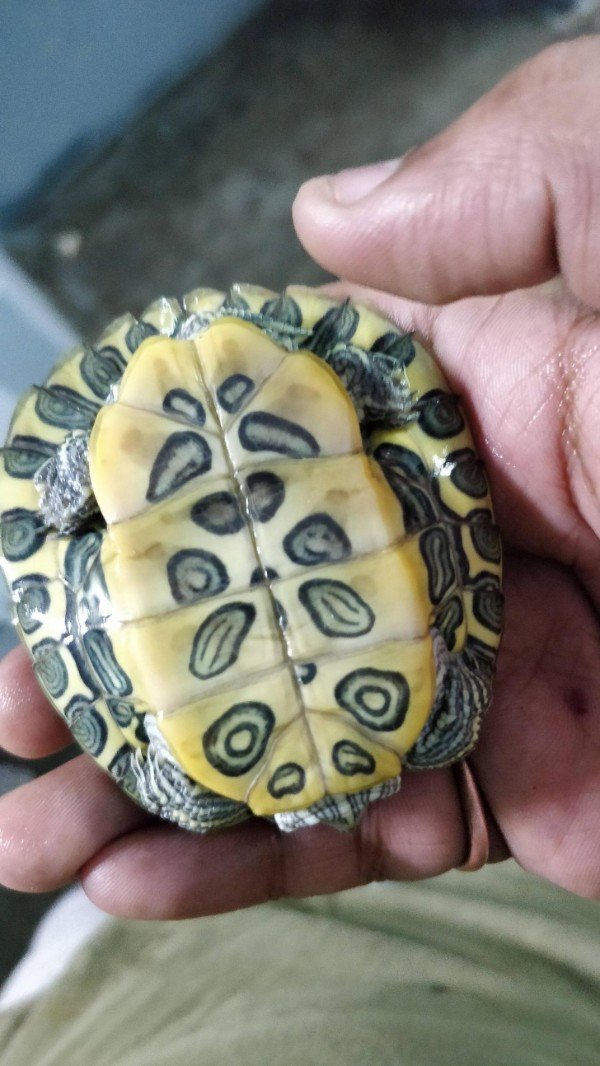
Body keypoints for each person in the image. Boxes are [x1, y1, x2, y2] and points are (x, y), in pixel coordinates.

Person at [0, 38, 599, 926]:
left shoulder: (402, 732)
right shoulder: (362, 744)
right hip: (265, 405)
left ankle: (99, 468)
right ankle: (101, 466)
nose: (344, 816)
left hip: (197, 435)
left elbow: (452, 612)